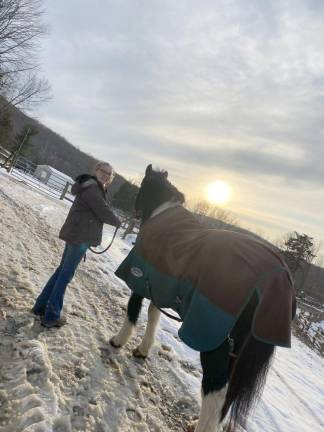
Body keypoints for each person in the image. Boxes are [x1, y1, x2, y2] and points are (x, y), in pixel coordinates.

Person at [32, 161, 121, 328]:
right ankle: (51, 316)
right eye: (104, 171)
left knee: (61, 272)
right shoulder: (93, 188)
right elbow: (102, 210)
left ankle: (40, 307)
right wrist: (118, 221)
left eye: (109, 174)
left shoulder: (91, 186)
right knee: (65, 275)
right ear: (96, 170)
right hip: (80, 237)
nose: (106, 175)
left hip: (77, 235)